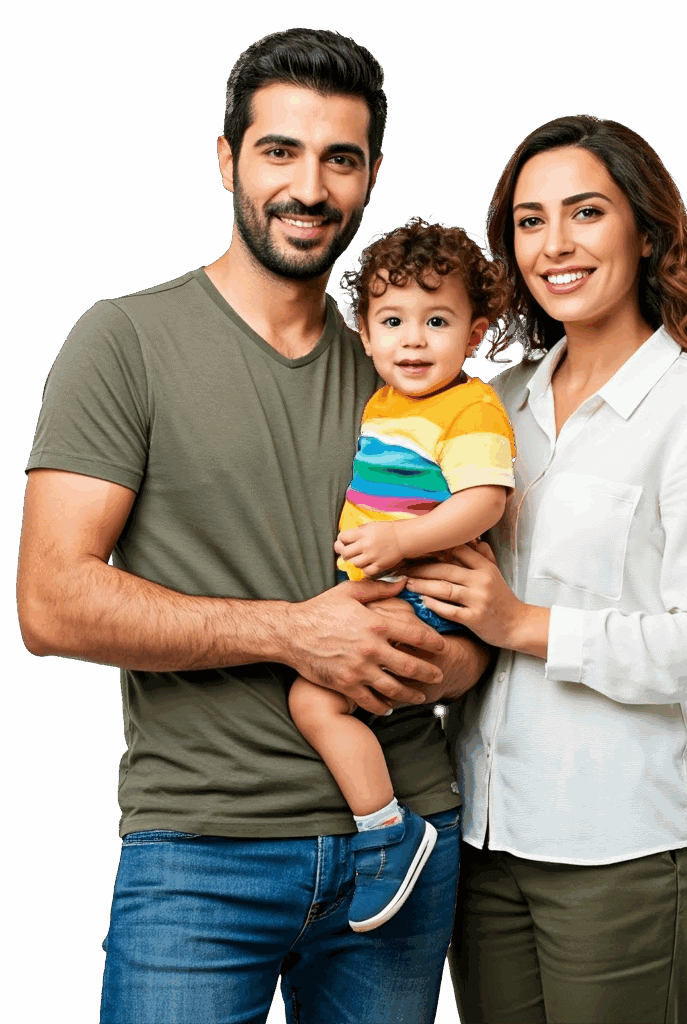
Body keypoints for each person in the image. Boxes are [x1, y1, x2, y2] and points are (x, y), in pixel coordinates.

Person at [16, 28, 490, 1024]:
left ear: (368, 178)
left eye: (340, 159)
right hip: (199, 849)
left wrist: (448, 661)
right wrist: (291, 629)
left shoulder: (411, 362)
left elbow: (471, 617)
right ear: (227, 157)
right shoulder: (127, 340)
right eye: (281, 150)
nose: (310, 187)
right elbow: (51, 601)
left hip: (405, 840)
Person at [406, 115, 687, 1024]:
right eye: (529, 221)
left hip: (621, 846)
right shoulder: (492, 405)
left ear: (646, 233)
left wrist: (521, 623)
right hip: (483, 835)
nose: (554, 245)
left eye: (584, 213)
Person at [288, 217, 516, 933]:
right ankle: (382, 823)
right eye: (392, 320)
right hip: (390, 582)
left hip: (422, 592)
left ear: (474, 334)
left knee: (312, 701)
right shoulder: (388, 399)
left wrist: (403, 541)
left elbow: (484, 500)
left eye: (436, 320)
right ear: (364, 331)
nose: (412, 340)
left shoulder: (469, 404)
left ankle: (386, 831)